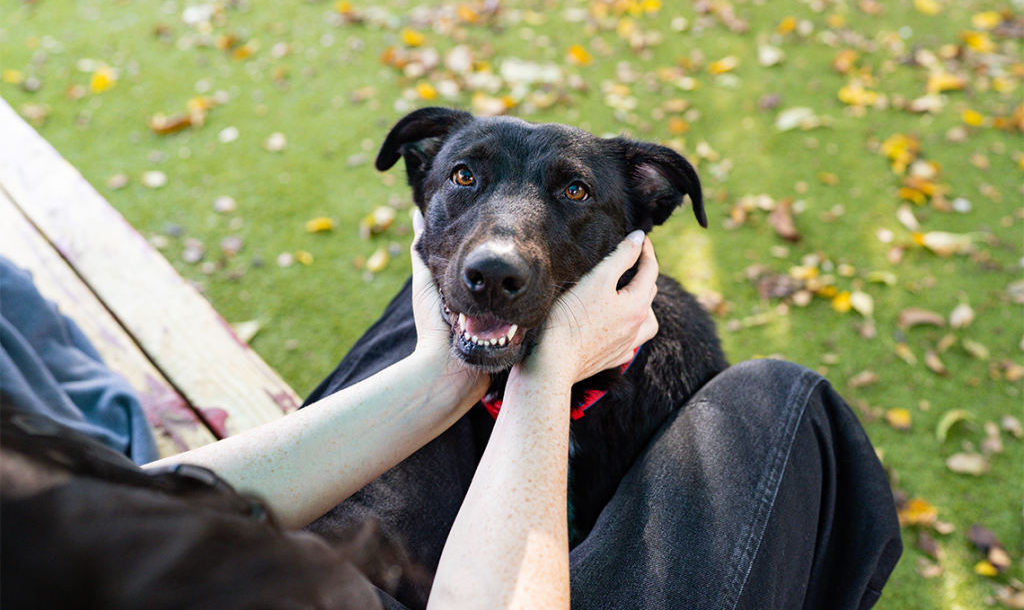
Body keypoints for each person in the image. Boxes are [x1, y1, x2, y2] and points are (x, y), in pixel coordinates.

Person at [0, 210, 901, 609]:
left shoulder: (38, 519)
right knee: (782, 402)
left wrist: (446, 377)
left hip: (267, 568)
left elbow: (125, 511)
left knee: (446, 315)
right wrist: (545, 378)